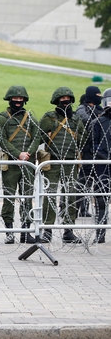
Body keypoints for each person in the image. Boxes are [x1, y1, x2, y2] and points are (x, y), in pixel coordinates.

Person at [0, 86, 40, 244]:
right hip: (11, 164)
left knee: (27, 198)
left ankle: (26, 231)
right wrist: (18, 154)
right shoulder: (2, 118)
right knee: (9, 198)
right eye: (15, 99)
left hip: (27, 164)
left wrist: (27, 154)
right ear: (9, 99)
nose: (18, 101)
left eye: (21, 99)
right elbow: (1, 139)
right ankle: (9, 231)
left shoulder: (30, 118)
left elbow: (37, 137)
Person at [39, 87, 86, 244]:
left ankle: (68, 230)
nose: (65, 101)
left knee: (70, 194)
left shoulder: (76, 120)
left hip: (70, 161)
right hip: (52, 161)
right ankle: (47, 230)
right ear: (57, 101)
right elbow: (39, 136)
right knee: (50, 195)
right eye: (62, 99)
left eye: (68, 99)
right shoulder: (49, 117)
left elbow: (83, 139)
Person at [75, 86, 103, 218]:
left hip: (99, 150)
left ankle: (93, 208)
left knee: (96, 181)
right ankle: (79, 206)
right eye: (97, 95)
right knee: (84, 180)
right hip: (87, 150)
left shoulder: (99, 110)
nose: (99, 97)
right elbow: (89, 123)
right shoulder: (82, 109)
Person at [91, 88, 111, 243]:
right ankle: (100, 233)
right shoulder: (98, 122)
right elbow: (93, 145)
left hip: (103, 164)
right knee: (101, 201)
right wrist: (105, 157)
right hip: (102, 166)